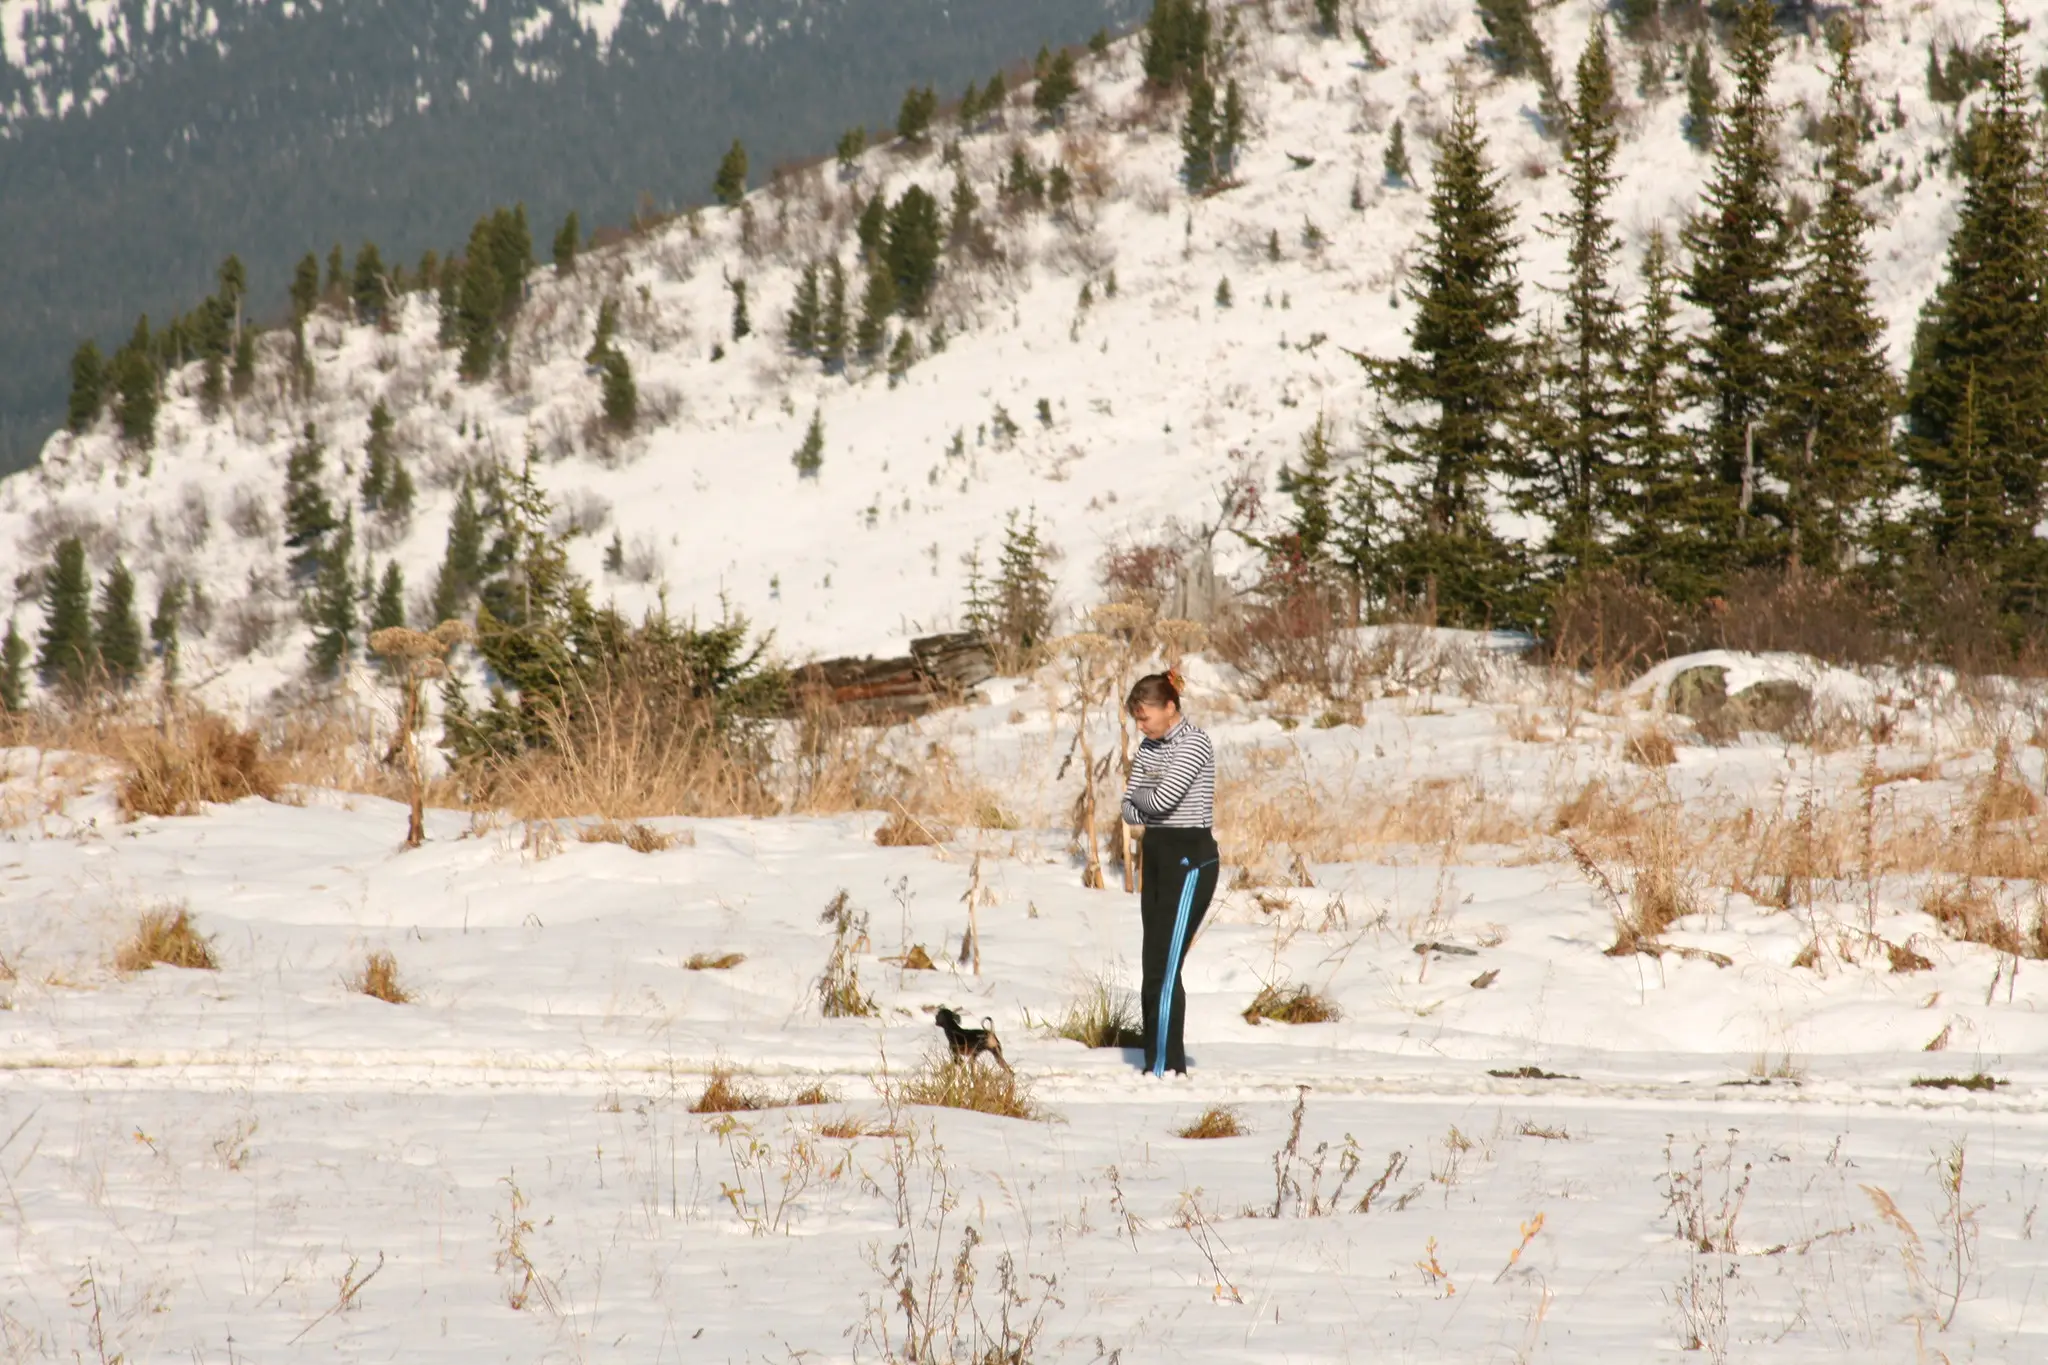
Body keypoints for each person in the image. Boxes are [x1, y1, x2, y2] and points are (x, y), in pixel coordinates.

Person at [1119, 669, 1218, 1077]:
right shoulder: (1148, 746)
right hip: (1156, 853)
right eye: (1137, 720)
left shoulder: (1194, 743)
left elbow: (1162, 800)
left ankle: (1163, 1066)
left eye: (1145, 717)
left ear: (1170, 707)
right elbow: (1128, 807)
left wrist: (1146, 799)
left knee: (1165, 962)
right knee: (1153, 961)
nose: (1140, 727)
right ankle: (1159, 1061)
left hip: (1189, 856)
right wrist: (1146, 800)